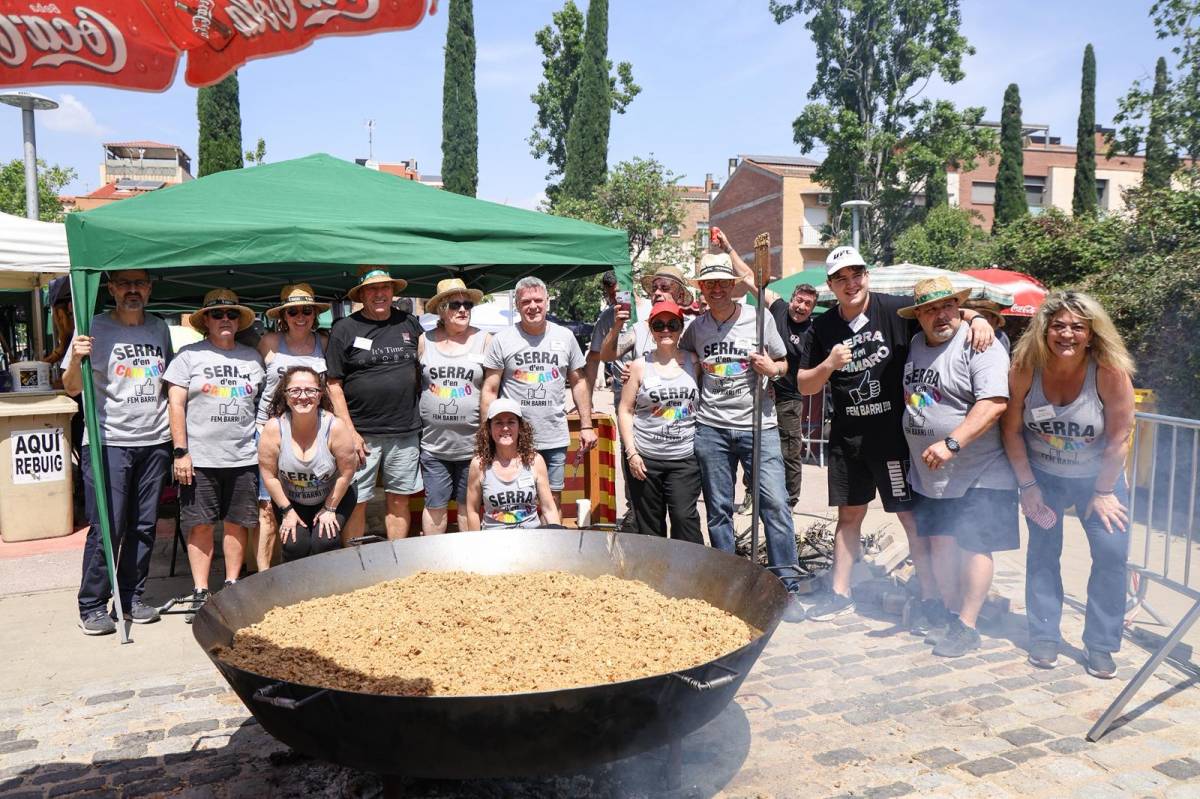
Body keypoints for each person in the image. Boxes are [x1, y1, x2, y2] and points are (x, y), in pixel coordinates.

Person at [798, 246, 994, 624]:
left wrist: (976, 318)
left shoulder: (893, 309)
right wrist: (829, 363)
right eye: (841, 278)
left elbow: (939, 309)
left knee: (910, 518)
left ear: (866, 276)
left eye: (856, 274)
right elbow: (805, 385)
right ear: (831, 286)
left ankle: (930, 596)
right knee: (849, 515)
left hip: (894, 438)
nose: (850, 283)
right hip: (848, 438)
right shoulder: (821, 327)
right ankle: (840, 594)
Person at [1001, 291, 1136, 679]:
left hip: (1100, 482)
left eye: (1077, 326)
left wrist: (1105, 491)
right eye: (1058, 325)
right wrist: (1027, 487)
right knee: (1044, 551)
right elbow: (1011, 432)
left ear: (1091, 333)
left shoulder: (1109, 372)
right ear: (1044, 330)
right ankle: (1044, 635)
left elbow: (1119, 439)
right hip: (1044, 480)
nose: (1067, 334)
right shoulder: (1026, 368)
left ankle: (1101, 644)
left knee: (1111, 555)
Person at [680, 252, 806, 623]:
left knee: (776, 505)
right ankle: (730, 584)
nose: (717, 289)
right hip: (711, 429)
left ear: (733, 285)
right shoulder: (696, 328)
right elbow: (680, 360)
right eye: (709, 283)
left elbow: (785, 364)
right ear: (701, 288)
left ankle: (786, 588)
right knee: (719, 510)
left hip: (759, 425)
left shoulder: (758, 318)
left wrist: (773, 369)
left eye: (723, 282)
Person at [900, 277, 1016, 657]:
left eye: (948, 305)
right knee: (941, 543)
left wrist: (952, 442)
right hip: (932, 473)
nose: (940, 315)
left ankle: (967, 624)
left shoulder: (980, 342)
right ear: (918, 316)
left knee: (974, 544)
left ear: (959, 307)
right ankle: (951, 614)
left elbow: (994, 402)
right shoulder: (917, 343)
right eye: (930, 309)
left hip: (978, 469)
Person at [63, 269, 173, 635]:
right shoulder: (91, 326)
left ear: (150, 288)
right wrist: (78, 356)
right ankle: (92, 604)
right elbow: (70, 388)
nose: (132, 290)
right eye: (124, 284)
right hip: (108, 440)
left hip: (154, 439)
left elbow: (167, 381)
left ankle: (130, 597)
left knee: (144, 526)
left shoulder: (159, 328)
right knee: (107, 526)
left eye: (139, 283)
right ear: (110, 288)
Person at [163, 289, 265, 621]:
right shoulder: (188, 356)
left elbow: (262, 406)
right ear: (205, 320)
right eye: (218, 314)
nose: (225, 320)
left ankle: (233, 585)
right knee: (201, 525)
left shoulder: (252, 358)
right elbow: (175, 405)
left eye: (231, 315)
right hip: (200, 459)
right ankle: (201, 590)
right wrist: (181, 451)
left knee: (238, 524)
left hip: (243, 457)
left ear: (239, 321)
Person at [588, 264, 696, 531]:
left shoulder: (692, 330)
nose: (657, 293)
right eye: (654, 288)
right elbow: (607, 354)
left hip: (681, 445)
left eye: (665, 287)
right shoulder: (639, 327)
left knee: (684, 517)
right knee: (643, 512)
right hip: (640, 434)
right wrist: (617, 326)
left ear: (680, 294)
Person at [325, 267, 424, 542]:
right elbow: (333, 384)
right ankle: (354, 562)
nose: (379, 294)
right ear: (361, 295)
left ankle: (396, 561)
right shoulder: (344, 328)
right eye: (372, 289)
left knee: (399, 500)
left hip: (405, 431)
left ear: (393, 292)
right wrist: (349, 431)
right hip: (362, 434)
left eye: (385, 288)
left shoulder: (409, 323)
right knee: (356, 500)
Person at [482, 277, 595, 508]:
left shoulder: (565, 337)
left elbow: (579, 382)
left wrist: (586, 425)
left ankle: (552, 543)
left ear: (547, 302)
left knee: (551, 501)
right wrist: (486, 434)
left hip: (553, 435)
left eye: (538, 300)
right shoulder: (502, 340)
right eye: (526, 302)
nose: (533, 306)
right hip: (512, 438)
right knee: (514, 501)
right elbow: (490, 389)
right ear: (516, 305)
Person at [254, 284, 331, 569]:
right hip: (270, 431)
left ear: (314, 314)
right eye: (293, 311)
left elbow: (333, 386)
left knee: (311, 496)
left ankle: (316, 568)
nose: (300, 316)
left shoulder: (323, 342)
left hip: (315, 433)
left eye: (307, 310)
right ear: (283, 315)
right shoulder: (269, 342)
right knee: (267, 508)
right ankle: (264, 576)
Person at [616, 300, 703, 543]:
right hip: (646, 461)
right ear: (651, 330)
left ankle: (689, 575)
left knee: (685, 519)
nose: (666, 330)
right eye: (659, 325)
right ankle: (653, 578)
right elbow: (625, 410)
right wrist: (632, 453)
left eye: (672, 324)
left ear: (681, 328)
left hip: (683, 459)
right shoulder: (638, 367)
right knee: (649, 526)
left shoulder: (694, 362)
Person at [258, 366, 358, 562]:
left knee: (325, 541)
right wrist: (287, 511)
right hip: (292, 500)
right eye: (295, 390)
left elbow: (347, 473)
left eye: (310, 390)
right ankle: (293, 590)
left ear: (320, 395)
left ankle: (331, 589)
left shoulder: (335, 427)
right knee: (295, 545)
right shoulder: (274, 428)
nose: (303, 396)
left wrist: (330, 509)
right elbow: (269, 476)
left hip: (334, 495)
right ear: (285, 395)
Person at [418, 278, 490, 534]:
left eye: (467, 305)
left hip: (472, 447)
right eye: (455, 304)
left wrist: (486, 436)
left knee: (467, 506)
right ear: (441, 309)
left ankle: (469, 564)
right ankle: (433, 564)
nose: (462, 310)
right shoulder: (424, 341)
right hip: (434, 446)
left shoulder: (485, 340)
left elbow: (492, 389)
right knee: (435, 505)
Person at [464, 398, 560, 530]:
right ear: (489, 428)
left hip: (532, 539)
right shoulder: (479, 464)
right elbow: (472, 511)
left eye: (511, 422)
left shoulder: (535, 461)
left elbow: (549, 509)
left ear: (520, 427)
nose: (505, 428)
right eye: (498, 423)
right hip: (494, 541)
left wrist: (557, 537)